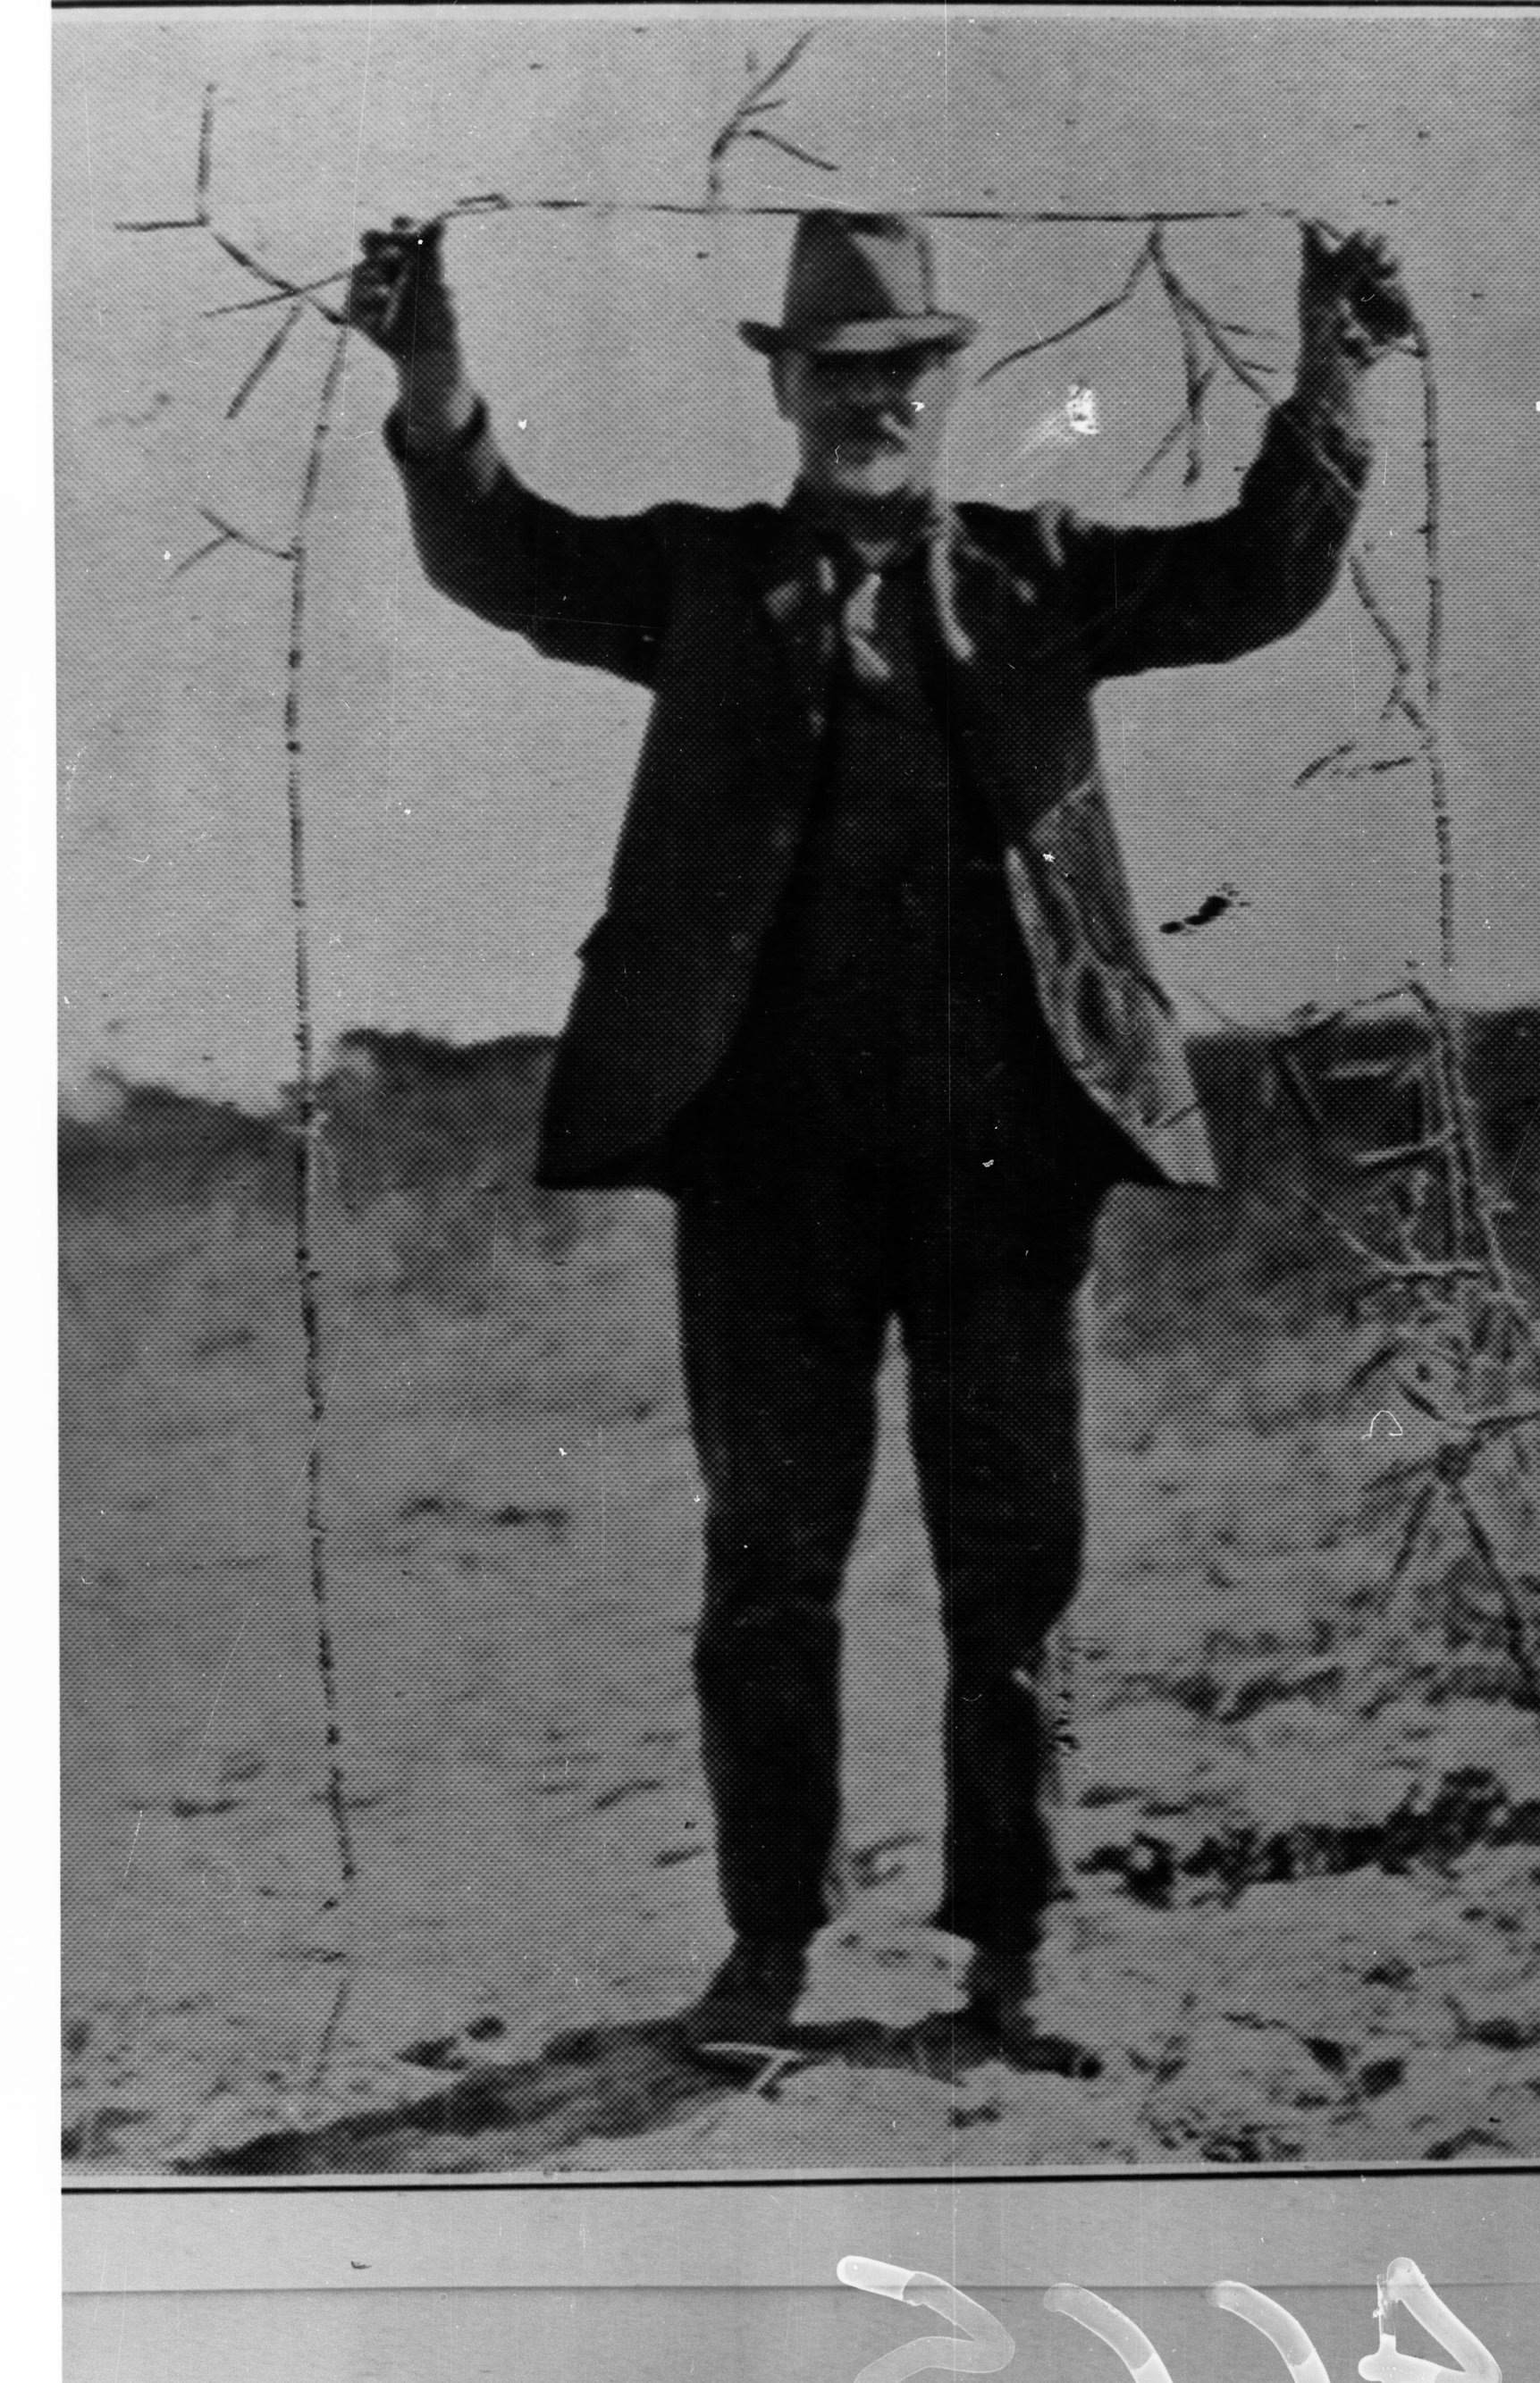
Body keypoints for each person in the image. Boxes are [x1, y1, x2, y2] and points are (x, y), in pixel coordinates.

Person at [346, 206, 1411, 2067]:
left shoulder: (1045, 573)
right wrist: (433, 382)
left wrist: (1330, 374)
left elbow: (1256, 578)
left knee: (1021, 1565)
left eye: (901, 371)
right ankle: (767, 1948)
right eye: (835, 373)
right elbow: (503, 556)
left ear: (947, 381)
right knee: (768, 1562)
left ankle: (1011, 1954)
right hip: (764, 1175)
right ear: (780, 383)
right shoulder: (690, 581)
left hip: (1009, 1177)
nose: (870, 403)